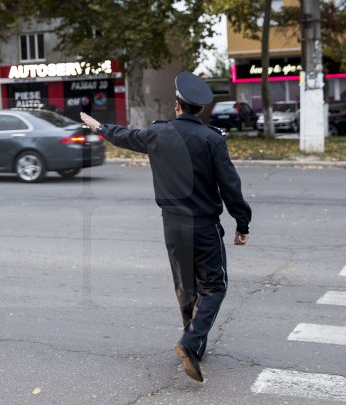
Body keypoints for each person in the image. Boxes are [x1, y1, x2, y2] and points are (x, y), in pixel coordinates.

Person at [80, 72, 252, 383]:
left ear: (176, 105)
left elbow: (124, 136)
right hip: (203, 225)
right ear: (199, 109)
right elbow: (230, 185)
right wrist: (242, 222)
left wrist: (99, 126)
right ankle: (189, 342)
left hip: (171, 226)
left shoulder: (158, 135)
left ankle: (194, 344)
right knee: (214, 287)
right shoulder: (212, 139)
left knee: (186, 286)